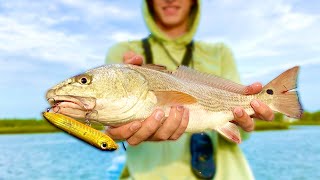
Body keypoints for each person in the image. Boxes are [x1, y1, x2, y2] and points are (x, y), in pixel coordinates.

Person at [105, 0, 274, 179]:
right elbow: (109, 126)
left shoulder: (220, 52)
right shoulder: (123, 52)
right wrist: (116, 128)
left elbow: (243, 133)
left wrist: (247, 119)